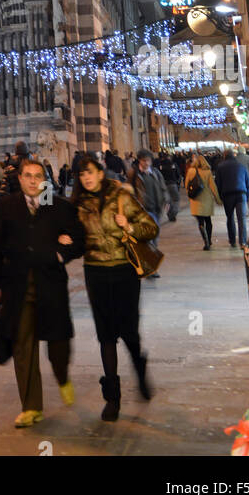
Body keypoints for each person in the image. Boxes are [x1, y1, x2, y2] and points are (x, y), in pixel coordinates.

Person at [0, 157, 85, 428]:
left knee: (58, 346)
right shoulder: (8, 206)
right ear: (19, 179)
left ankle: (63, 376)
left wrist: (60, 252)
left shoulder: (57, 207)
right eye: (27, 176)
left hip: (50, 285)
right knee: (23, 347)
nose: (32, 181)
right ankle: (31, 407)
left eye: (37, 176)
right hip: (17, 287)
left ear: (44, 180)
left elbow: (79, 239)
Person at [71, 154, 158, 421]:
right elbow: (74, 240)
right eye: (81, 173)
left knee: (129, 331)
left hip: (124, 272)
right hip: (95, 272)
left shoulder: (121, 196)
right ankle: (113, 398)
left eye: (90, 172)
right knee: (105, 335)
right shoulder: (77, 205)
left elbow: (150, 228)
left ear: (100, 172)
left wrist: (129, 226)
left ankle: (140, 369)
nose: (86, 177)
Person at [128, 150, 166, 272]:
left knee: (154, 240)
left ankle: (149, 265)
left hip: (156, 209)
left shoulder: (155, 173)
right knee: (148, 240)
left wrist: (166, 200)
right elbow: (128, 191)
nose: (146, 163)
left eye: (148, 160)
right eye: (144, 160)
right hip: (143, 212)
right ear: (139, 160)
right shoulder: (133, 173)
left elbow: (162, 188)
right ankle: (151, 268)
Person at [215, 148, 249, 249]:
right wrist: (247, 196)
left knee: (230, 217)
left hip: (227, 195)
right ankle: (243, 242)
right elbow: (248, 183)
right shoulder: (241, 166)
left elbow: (217, 184)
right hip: (241, 194)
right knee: (241, 219)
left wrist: (220, 197)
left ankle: (232, 240)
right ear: (234, 155)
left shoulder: (220, 167)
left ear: (224, 156)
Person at [185, 150, 220, 249]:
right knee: (208, 221)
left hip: (196, 200)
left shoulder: (191, 171)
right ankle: (209, 239)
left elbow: (186, 184)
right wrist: (218, 199)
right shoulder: (208, 172)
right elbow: (213, 187)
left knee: (200, 222)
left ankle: (206, 242)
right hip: (207, 200)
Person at [156, 150, 181, 222]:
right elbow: (178, 174)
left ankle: (170, 215)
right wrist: (178, 183)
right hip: (173, 184)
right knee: (176, 199)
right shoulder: (173, 164)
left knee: (168, 201)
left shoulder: (160, 166)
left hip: (163, 185)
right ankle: (173, 214)